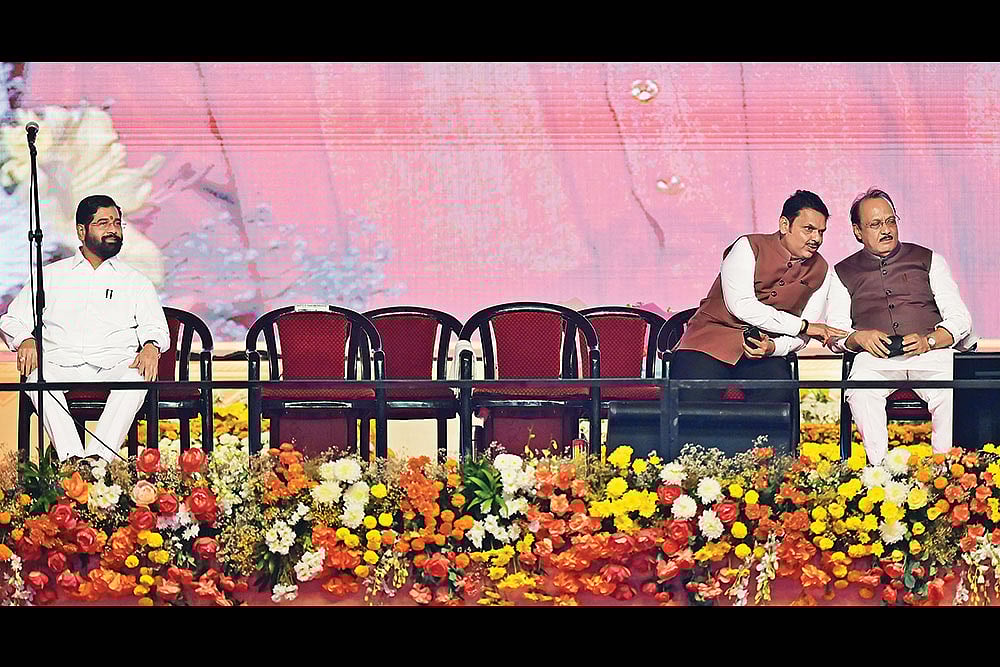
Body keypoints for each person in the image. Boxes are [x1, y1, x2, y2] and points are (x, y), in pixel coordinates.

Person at [0, 194, 169, 463]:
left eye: (116, 222)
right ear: (81, 231)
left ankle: (97, 461)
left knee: (137, 378)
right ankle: (73, 459)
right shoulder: (51, 276)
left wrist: (151, 346)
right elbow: (11, 320)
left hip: (113, 364)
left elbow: (157, 328)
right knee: (36, 378)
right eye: (103, 223)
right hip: (60, 364)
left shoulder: (136, 281)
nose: (113, 229)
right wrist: (25, 340)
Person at [826, 187, 974, 465]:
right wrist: (859, 338)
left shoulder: (929, 259)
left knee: (953, 390)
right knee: (860, 389)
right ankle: (880, 474)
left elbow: (960, 318)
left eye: (891, 221)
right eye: (875, 224)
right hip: (875, 359)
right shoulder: (841, 272)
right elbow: (836, 333)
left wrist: (929, 340)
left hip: (931, 354)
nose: (886, 230)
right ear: (858, 231)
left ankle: (945, 474)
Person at [672, 190, 847, 402]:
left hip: (763, 351)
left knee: (777, 391)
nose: (816, 239)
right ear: (785, 225)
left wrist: (774, 348)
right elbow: (742, 305)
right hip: (708, 343)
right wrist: (802, 326)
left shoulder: (821, 269)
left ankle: (763, 438)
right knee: (694, 395)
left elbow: (805, 334)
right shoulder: (748, 247)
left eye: (821, 232)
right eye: (808, 229)